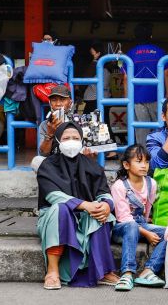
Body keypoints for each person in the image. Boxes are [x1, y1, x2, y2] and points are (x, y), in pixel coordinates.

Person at [36, 122, 119, 290]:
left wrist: (106, 205)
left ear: (82, 141)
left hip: (84, 214)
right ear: (58, 141)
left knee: (103, 214)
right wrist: (84, 205)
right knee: (61, 209)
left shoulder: (92, 165)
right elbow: (53, 196)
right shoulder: (48, 165)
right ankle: (53, 271)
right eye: (66, 138)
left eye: (76, 138)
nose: (71, 141)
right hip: (55, 216)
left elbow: (103, 191)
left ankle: (103, 271)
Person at [110, 144, 166, 291]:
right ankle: (127, 273)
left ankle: (149, 271)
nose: (144, 165)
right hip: (121, 228)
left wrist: (147, 224)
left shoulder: (151, 183)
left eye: (146, 162)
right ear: (126, 165)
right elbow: (124, 218)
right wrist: (147, 233)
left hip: (139, 223)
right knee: (132, 226)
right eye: (139, 161)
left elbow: (147, 209)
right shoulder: (119, 186)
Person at [124, 23, 168, 145]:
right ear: (150, 35)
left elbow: (126, 78)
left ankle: (142, 156)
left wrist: (126, 98)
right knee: (160, 128)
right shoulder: (160, 52)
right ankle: (160, 156)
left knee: (141, 130)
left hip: (137, 99)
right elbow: (166, 75)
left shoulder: (130, 54)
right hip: (157, 98)